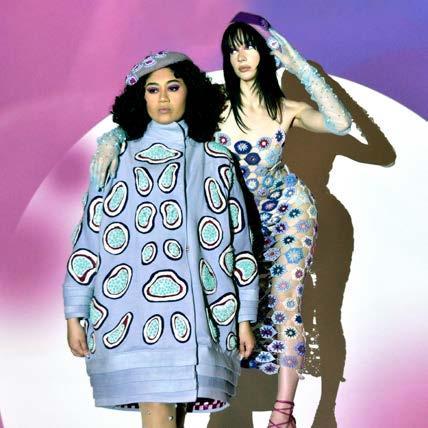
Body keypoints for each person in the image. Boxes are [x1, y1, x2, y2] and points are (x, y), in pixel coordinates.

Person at [89, 12, 352, 428]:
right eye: (232, 50)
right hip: (230, 218)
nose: (241, 57)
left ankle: (283, 414)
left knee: (287, 303)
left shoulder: (288, 109)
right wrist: (112, 138)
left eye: (249, 47)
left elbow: (340, 124)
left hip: (285, 212)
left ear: (266, 53)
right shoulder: (214, 105)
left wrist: (298, 65)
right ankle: (220, 397)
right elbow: (155, 112)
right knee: (223, 304)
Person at [63, 51, 259, 428]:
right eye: (152, 90)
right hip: (130, 314)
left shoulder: (215, 158)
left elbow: (239, 241)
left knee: (174, 419)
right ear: (140, 97)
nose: (163, 98)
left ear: (190, 91)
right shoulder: (115, 155)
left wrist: (245, 316)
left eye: (173, 87)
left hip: (203, 316)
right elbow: (89, 235)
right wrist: (75, 312)